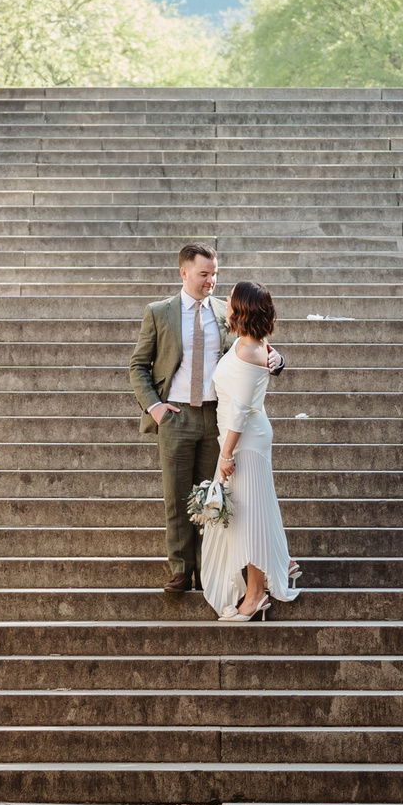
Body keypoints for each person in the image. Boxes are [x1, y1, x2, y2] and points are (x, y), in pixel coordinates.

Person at [129, 243, 281, 595]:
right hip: (176, 416)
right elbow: (138, 365)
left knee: (215, 497)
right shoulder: (159, 312)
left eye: (215, 274)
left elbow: (253, 342)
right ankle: (181, 570)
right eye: (204, 274)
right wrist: (155, 407)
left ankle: (210, 570)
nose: (211, 280)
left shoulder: (226, 312)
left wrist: (277, 359)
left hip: (216, 417)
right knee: (177, 497)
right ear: (184, 272)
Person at [204, 280, 298, 622]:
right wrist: (278, 358)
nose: (226, 302)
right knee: (250, 513)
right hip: (242, 437)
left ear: (242, 309)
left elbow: (241, 411)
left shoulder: (248, 350)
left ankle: (257, 593)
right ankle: (281, 562)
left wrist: (226, 454)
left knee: (250, 517)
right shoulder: (249, 342)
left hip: (244, 442)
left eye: (231, 299)